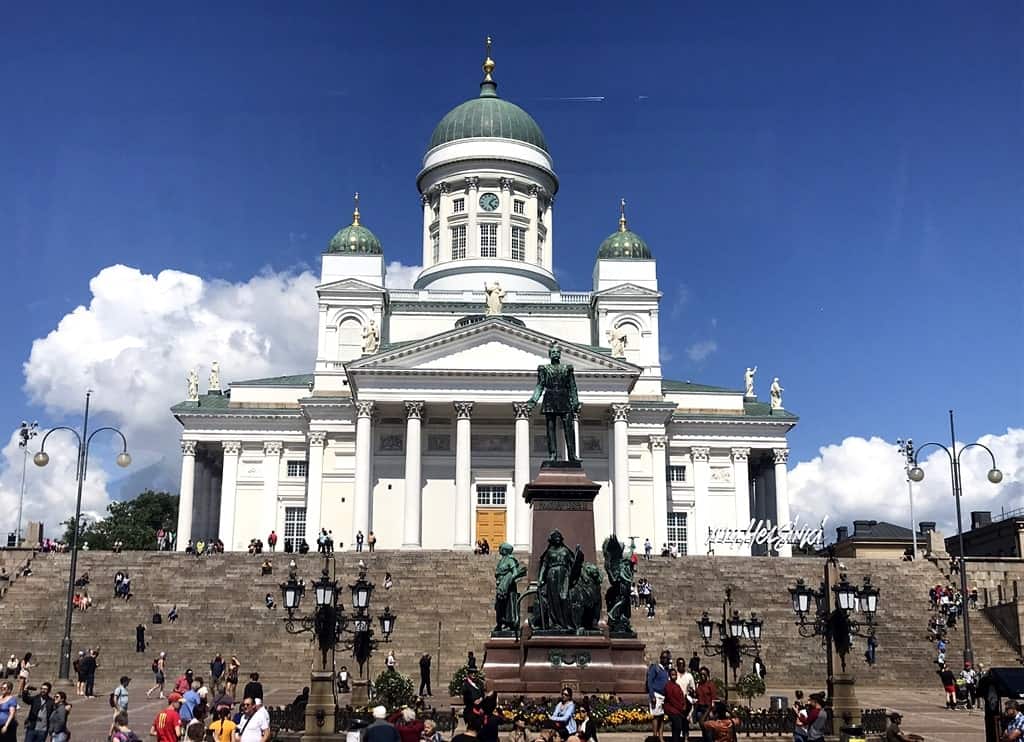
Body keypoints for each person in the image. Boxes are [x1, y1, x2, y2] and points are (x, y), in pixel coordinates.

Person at [646, 651, 670, 742]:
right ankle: (655, 736)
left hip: (664, 696)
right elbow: (650, 682)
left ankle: (661, 736)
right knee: (656, 717)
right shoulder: (655, 668)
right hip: (656, 695)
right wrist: (652, 695)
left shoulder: (667, 669)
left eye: (666, 658)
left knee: (662, 717)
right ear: (660, 658)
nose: (665, 659)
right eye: (663, 658)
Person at [664, 668, 688, 742]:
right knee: (677, 726)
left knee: (680, 726)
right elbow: (671, 699)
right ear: (669, 676)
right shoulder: (668, 685)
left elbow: (682, 697)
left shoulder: (677, 685)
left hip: (680, 709)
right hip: (673, 709)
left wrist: (684, 705)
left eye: (675, 675)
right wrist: (680, 708)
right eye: (672, 675)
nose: (674, 676)